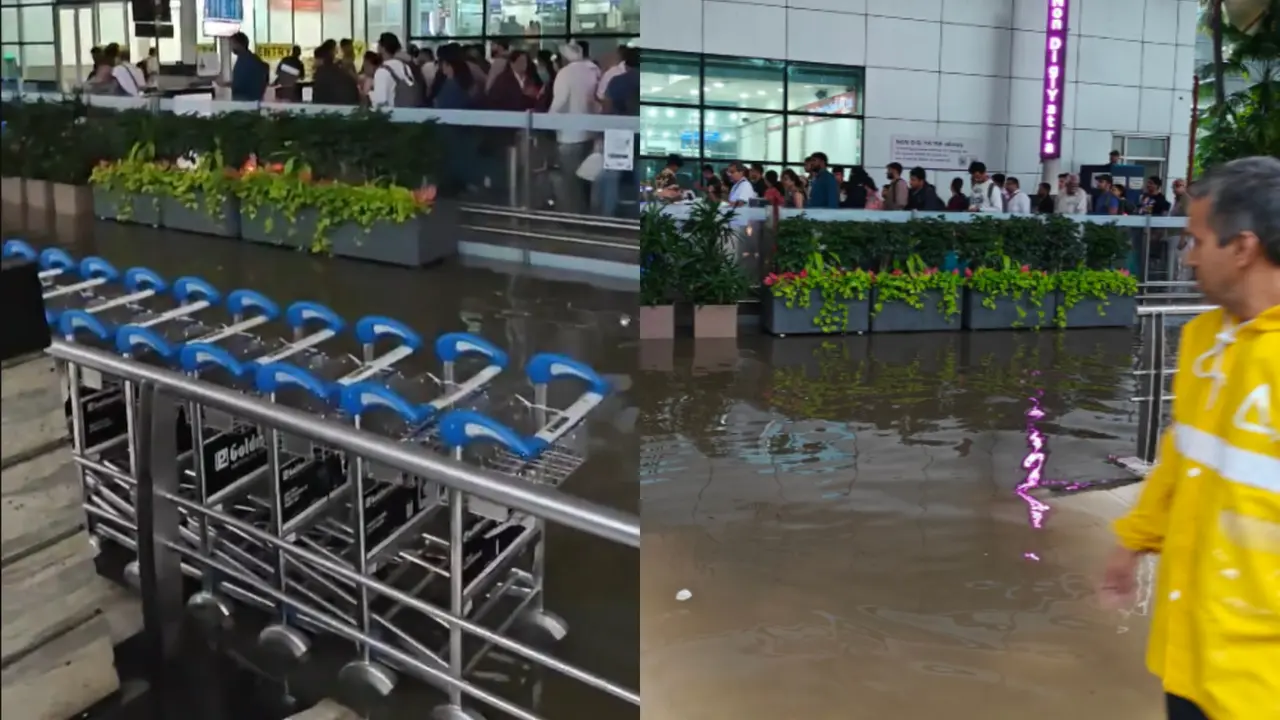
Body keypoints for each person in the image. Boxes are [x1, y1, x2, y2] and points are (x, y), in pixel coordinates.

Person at [1101, 155, 1280, 720]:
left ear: (1244, 247)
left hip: (1259, 683)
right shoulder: (1206, 340)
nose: (1189, 256)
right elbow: (1184, 455)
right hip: (1191, 654)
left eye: (1197, 239)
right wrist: (1134, 540)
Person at [371, 33, 424, 108]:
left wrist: (370, 94)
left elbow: (380, 102)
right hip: (409, 113)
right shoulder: (405, 67)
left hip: (392, 116)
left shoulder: (381, 71)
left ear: (381, 48)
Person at [227, 32, 269, 102]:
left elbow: (239, 84)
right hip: (251, 99)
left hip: (246, 100)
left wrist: (225, 84)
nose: (231, 47)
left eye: (232, 44)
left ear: (239, 44)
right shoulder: (251, 58)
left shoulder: (246, 60)